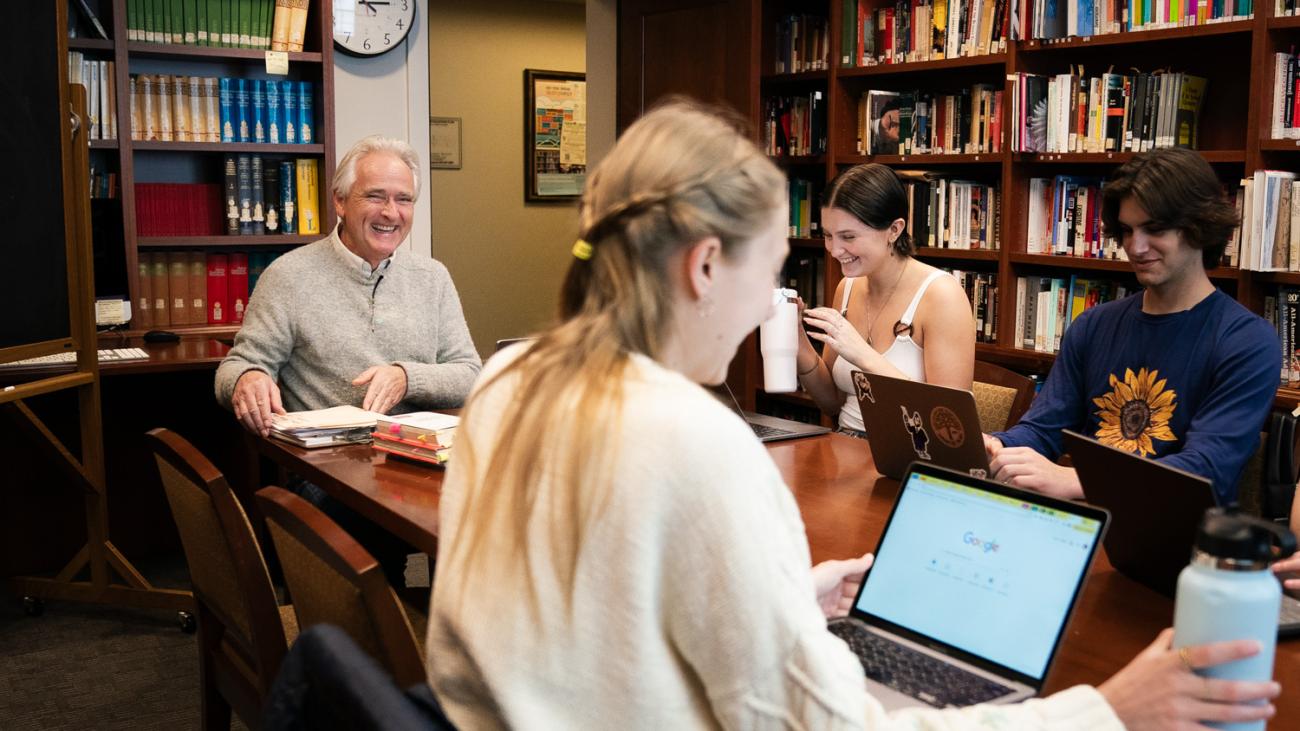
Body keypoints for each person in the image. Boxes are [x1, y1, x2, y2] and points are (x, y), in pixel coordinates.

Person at [425, 100, 1277, 729]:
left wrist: (783, 595)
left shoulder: (508, 376)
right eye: (771, 270)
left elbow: (596, 603)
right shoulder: (696, 442)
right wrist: (1107, 708)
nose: (775, 297)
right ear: (706, 265)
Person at [987, 148, 1280, 505]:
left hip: (1178, 537)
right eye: (1127, 230)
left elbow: (1204, 470)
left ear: (1200, 227)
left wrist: (1077, 480)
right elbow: (1044, 428)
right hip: (1088, 521)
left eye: (1154, 229)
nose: (1135, 247)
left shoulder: (1248, 341)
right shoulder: (1093, 325)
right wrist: (999, 446)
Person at [215, 135, 482, 431]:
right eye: (375, 196)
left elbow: (469, 375)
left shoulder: (433, 277)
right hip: (329, 462)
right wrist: (247, 378)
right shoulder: (289, 276)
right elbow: (235, 367)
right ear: (340, 202)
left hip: (421, 453)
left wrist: (407, 379)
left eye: (403, 199)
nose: (390, 213)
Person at [796, 163, 976, 436]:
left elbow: (949, 422)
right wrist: (795, 337)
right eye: (828, 236)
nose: (834, 250)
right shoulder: (847, 287)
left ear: (894, 229)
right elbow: (831, 402)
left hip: (912, 455)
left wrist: (862, 354)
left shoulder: (942, 296)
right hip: (846, 447)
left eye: (848, 237)